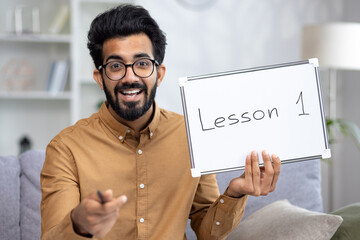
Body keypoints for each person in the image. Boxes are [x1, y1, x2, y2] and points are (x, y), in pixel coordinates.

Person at [40, 4, 281, 240]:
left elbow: (209, 233)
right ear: (100, 78)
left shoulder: (193, 137)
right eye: (115, 66)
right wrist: (79, 224)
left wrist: (235, 194)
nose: (130, 77)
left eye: (142, 63)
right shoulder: (66, 148)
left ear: (160, 74)